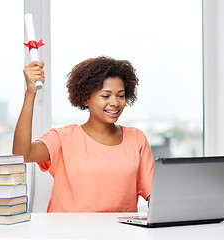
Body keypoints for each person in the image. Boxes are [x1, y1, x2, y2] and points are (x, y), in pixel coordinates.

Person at [13, 56, 154, 213]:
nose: (115, 102)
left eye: (120, 95)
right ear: (86, 98)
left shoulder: (136, 138)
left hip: (121, 232)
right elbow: (22, 154)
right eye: (106, 96)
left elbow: (154, 195)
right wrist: (30, 93)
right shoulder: (62, 138)